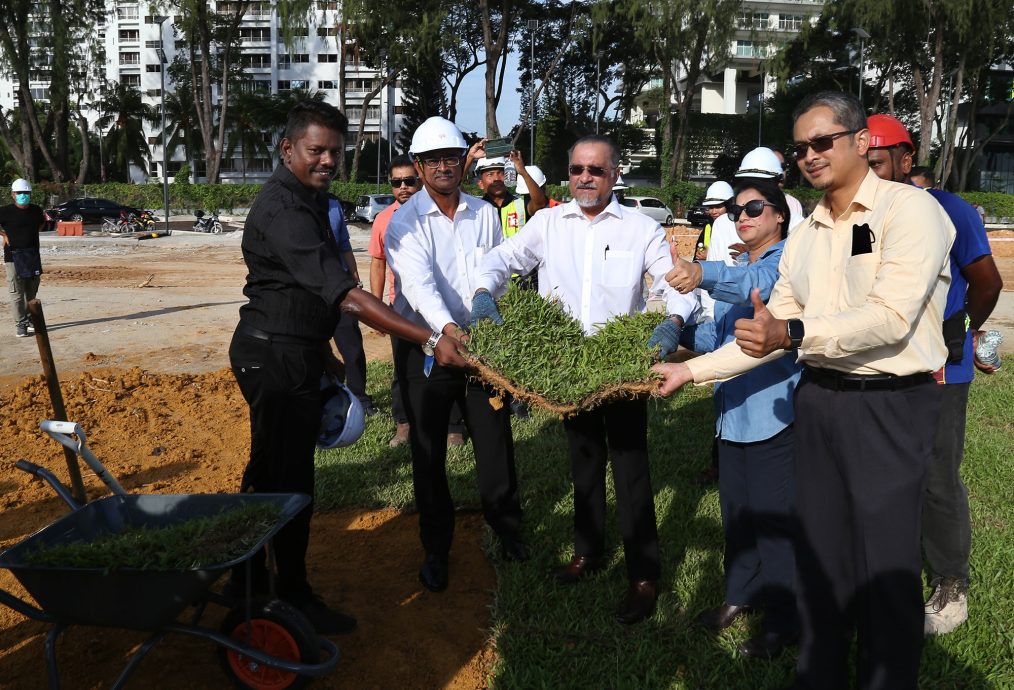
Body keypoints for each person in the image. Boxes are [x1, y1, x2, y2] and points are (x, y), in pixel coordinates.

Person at [653, 91, 954, 689]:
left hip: (890, 407)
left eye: (823, 141)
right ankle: (818, 672)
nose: (811, 155)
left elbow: (891, 317)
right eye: (801, 147)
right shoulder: (810, 233)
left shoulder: (909, 211)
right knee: (821, 555)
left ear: (861, 141)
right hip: (817, 400)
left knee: (885, 564)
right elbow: (767, 333)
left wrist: (791, 331)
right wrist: (691, 371)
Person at [229, 101, 466, 635]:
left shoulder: (310, 198)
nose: (328, 160)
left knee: (271, 472)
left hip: (291, 350)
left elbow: (299, 293)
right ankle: (288, 593)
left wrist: (323, 356)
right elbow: (347, 297)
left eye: (336, 151)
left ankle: (243, 579)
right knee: (289, 483)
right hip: (273, 357)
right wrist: (430, 338)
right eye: (316, 150)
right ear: (288, 149)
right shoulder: (284, 210)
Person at [472, 134, 698, 625]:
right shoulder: (548, 223)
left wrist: (674, 320)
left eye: (595, 170)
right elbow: (500, 260)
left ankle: (643, 575)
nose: (585, 178)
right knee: (584, 466)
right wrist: (484, 293)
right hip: (570, 367)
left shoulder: (641, 229)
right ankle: (588, 552)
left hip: (621, 369)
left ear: (615, 174)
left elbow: (675, 280)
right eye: (576, 170)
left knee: (632, 471)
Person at [866, 113, 1003, 635]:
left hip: (942, 366)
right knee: (885, 470)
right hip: (882, 362)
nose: (871, 174)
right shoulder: (865, 217)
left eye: (878, 162)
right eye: (865, 164)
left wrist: (961, 329)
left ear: (906, 157)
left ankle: (951, 582)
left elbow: (985, 281)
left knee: (936, 474)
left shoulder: (949, 210)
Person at [384, 116, 527, 594]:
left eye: (450, 157)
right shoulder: (404, 222)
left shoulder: (483, 213)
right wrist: (446, 330)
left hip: (481, 347)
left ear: (462, 163)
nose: (443, 166)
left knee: (495, 445)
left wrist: (488, 309)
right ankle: (435, 550)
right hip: (427, 351)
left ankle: (509, 533)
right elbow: (419, 286)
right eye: (432, 160)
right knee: (429, 456)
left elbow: (497, 266)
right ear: (419, 168)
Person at [667, 180, 801, 658]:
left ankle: (785, 620)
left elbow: (754, 287)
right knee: (737, 515)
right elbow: (720, 341)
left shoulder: (788, 261)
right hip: (732, 416)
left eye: (754, 208)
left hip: (773, 416)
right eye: (737, 210)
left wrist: (700, 271)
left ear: (779, 215)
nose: (742, 216)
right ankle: (741, 594)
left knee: (772, 522)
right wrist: (672, 331)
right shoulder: (742, 264)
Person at [366, 156, 469, 449]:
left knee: (450, 367)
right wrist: (378, 309)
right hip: (406, 315)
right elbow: (377, 264)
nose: (403, 187)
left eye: (409, 181)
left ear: (421, 178)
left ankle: (453, 427)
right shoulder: (385, 220)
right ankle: (404, 424)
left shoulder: (440, 214)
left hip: (446, 311)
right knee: (404, 373)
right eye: (396, 182)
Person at [328, 194, 375, 416]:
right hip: (309, 291)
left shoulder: (333, 204)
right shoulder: (292, 204)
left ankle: (360, 399)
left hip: (341, 288)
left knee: (352, 348)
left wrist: (355, 279)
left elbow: (344, 245)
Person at [0, 179, 46, 338]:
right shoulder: (5, 212)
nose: (23, 196)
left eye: (26, 193)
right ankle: (20, 324)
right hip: (13, 257)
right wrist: (4, 235)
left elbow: (41, 224)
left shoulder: (36, 210)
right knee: (16, 293)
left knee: (31, 292)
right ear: (13, 195)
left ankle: (31, 319)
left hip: (32, 255)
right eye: (19, 193)